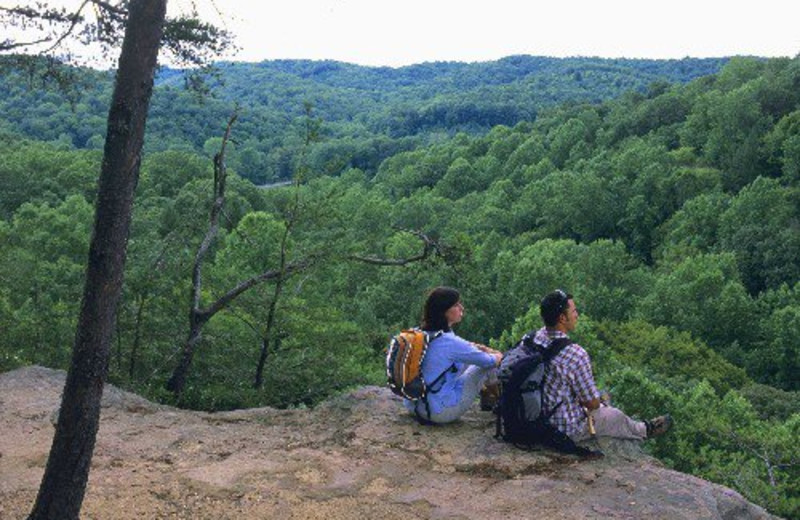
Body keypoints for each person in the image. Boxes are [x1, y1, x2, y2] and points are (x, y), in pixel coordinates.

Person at [536, 289, 672, 442]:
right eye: (574, 311)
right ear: (562, 318)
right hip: (563, 429)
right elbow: (591, 403)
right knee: (613, 415)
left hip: (534, 420)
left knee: (599, 395)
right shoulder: (575, 354)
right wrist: (596, 403)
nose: (577, 315)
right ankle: (644, 429)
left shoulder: (533, 338)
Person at [404, 287, 502, 424]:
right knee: (485, 366)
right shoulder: (450, 342)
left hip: (414, 406)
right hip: (439, 412)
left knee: (471, 360)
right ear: (444, 311)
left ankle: (490, 399)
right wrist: (498, 354)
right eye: (456, 305)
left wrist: (478, 349)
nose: (461, 307)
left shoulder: (417, 333)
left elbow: (461, 349)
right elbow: (489, 361)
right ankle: (499, 402)